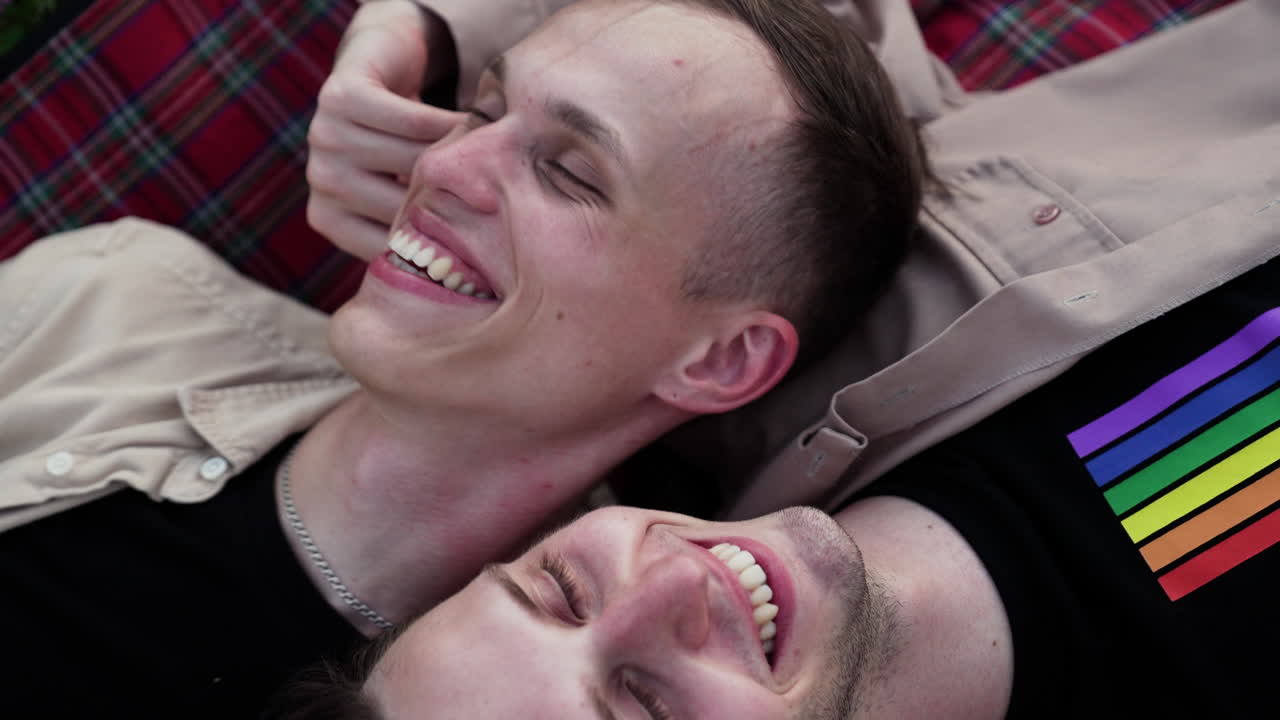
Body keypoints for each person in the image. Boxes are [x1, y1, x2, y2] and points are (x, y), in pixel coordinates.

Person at [0, 0, 927, 715]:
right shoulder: (113, 292)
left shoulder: (610, 673)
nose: (441, 166)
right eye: (481, 108)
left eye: (568, 171)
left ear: (721, 360)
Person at [269, 250, 1280, 720]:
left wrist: (430, 29)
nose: (670, 586)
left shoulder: (756, 350)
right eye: (644, 715)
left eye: (557, 591)